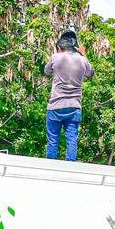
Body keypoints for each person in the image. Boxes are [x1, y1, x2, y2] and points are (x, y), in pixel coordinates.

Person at [43, 29, 93, 161]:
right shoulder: (82, 60)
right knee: (72, 140)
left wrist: (57, 55)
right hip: (74, 107)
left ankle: (49, 169)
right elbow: (90, 74)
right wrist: (83, 55)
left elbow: (46, 71)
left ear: (59, 47)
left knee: (53, 140)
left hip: (55, 106)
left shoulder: (55, 57)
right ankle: (70, 169)